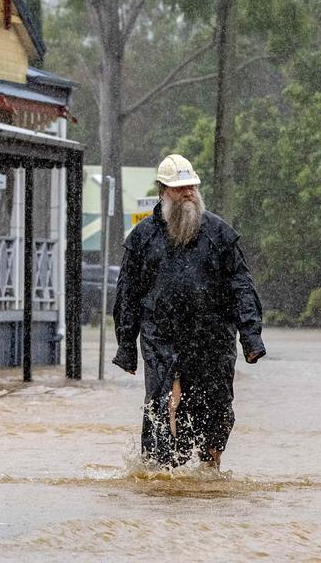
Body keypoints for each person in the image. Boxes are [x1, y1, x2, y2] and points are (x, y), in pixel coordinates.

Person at [111, 154, 265, 469]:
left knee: (216, 409)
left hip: (212, 339)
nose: (188, 194)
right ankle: (162, 475)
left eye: (191, 186)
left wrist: (251, 337)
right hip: (161, 337)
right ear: (163, 191)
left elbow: (242, 288)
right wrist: (126, 346)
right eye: (180, 188)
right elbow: (127, 294)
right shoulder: (142, 238)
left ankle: (209, 471)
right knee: (164, 401)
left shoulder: (220, 234)